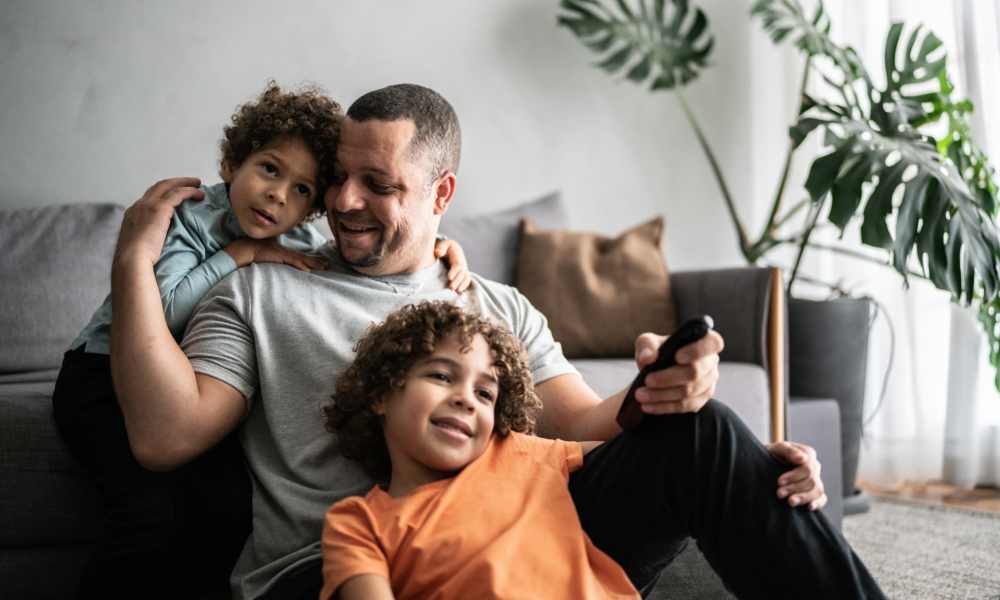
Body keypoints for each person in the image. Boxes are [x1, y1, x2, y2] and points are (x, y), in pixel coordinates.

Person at [110, 83, 885, 599]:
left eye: (378, 185)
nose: (344, 201)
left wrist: (681, 402)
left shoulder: (494, 303)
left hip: (502, 545)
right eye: (338, 177)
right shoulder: (261, 287)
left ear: (441, 193)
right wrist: (133, 261)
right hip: (336, 568)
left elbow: (582, 428)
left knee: (706, 433)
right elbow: (162, 437)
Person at [51, 81, 471, 599]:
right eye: (270, 170)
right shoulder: (192, 219)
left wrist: (443, 247)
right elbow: (157, 312)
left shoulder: (291, 235)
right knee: (145, 514)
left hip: (177, 374)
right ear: (232, 162)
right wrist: (238, 256)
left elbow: (381, 244)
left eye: (302, 190)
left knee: (227, 504)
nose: (279, 195)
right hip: (100, 374)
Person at [320, 301, 639, 599]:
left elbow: (643, 452)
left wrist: (658, 378)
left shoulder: (517, 451)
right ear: (381, 394)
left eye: (485, 393)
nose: (467, 399)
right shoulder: (358, 525)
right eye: (442, 376)